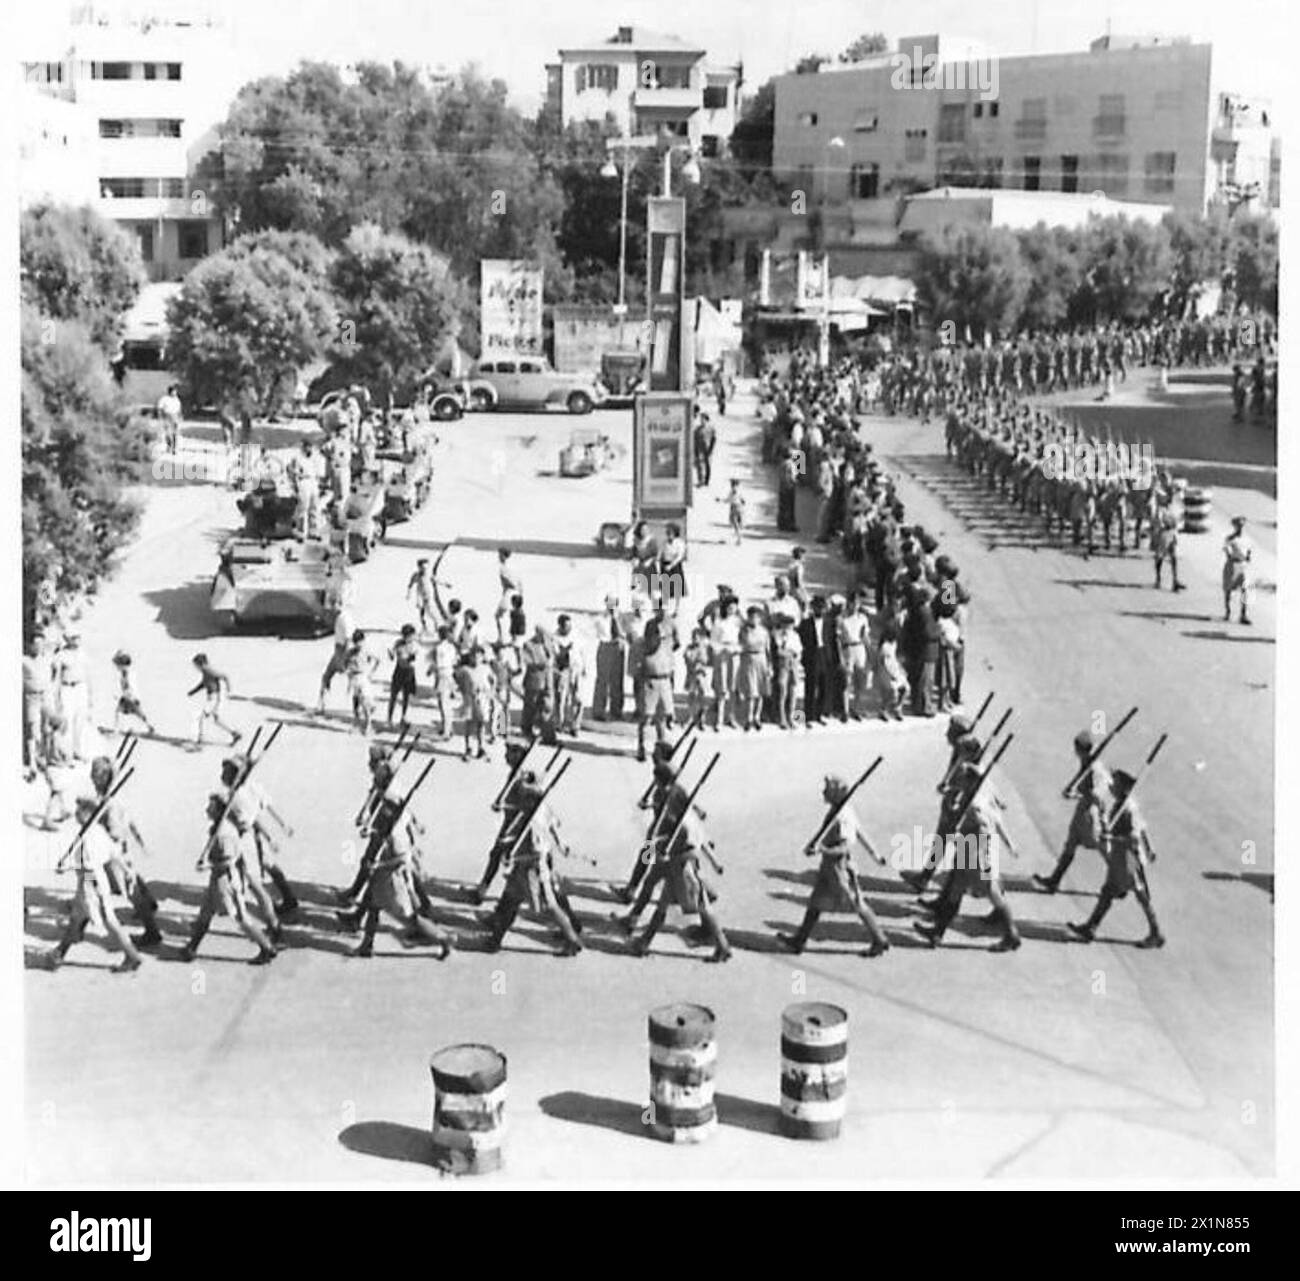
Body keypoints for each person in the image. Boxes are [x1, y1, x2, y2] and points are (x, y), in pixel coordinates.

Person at [913, 761, 1021, 952]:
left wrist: (961, 835)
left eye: (962, 779)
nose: (959, 781)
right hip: (966, 854)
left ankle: (1011, 935)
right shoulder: (978, 797)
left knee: (993, 893)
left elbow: (985, 825)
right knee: (955, 891)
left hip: (977, 855)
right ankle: (937, 933)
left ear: (970, 780)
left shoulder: (975, 804)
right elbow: (996, 820)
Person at [779, 775, 890, 957]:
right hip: (828, 868)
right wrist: (875, 854)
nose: (824, 792)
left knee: (857, 903)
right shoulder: (839, 810)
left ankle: (879, 939)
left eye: (827, 789)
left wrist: (822, 850)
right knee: (815, 903)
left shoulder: (842, 816)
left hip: (840, 868)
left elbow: (846, 845)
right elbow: (860, 833)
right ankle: (799, 940)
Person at [483, 772, 583, 956]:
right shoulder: (537, 811)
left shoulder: (533, 821)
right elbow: (553, 826)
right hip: (523, 869)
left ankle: (572, 938)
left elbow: (536, 850)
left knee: (550, 905)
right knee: (510, 902)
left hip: (532, 870)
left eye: (524, 796)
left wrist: (513, 856)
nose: (520, 798)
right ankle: (494, 940)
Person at [345, 793, 452, 959]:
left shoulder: (395, 836)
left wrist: (378, 865)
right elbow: (371, 831)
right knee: (372, 909)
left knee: (409, 918)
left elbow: (403, 859)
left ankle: (443, 938)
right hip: (381, 880)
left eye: (384, 811)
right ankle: (367, 945)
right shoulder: (384, 828)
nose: (379, 813)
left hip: (391, 884)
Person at [46, 796, 146, 973]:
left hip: (90, 880)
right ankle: (59, 953)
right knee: (77, 918)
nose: (76, 814)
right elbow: (115, 853)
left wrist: (66, 867)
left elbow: (86, 864)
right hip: (89, 881)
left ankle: (132, 955)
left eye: (80, 811)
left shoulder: (89, 836)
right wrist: (127, 870)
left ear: (87, 814)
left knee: (108, 920)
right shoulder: (97, 831)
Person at [1068, 770, 1166, 948]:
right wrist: (1150, 848)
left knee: (1140, 894)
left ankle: (1156, 932)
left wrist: (1111, 839)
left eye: (1116, 784)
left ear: (1123, 788)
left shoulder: (1127, 809)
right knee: (1108, 892)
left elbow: (1135, 836)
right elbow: (1143, 828)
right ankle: (1091, 927)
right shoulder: (1123, 805)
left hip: (1129, 857)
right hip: (1119, 857)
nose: (1111, 786)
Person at [627, 798, 730, 963]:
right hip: (681, 866)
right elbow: (703, 843)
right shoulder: (689, 818)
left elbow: (652, 846)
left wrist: (649, 857)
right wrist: (715, 862)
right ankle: (644, 942)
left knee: (701, 905)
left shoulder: (671, 823)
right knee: (664, 904)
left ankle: (723, 946)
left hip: (680, 869)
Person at [180, 794, 278, 965]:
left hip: (226, 879)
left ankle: (266, 947)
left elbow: (229, 860)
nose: (207, 809)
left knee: (240, 918)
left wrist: (208, 865)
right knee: (206, 912)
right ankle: (191, 948)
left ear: (219, 810)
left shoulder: (223, 833)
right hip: (218, 878)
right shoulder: (219, 827)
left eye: (211, 806)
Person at [1036, 729, 1114, 893]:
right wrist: (1073, 794)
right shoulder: (1085, 764)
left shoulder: (1095, 770)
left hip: (1090, 815)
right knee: (1070, 846)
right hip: (1081, 812)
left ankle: (1119, 880)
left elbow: (1098, 796)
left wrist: (1080, 794)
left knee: (1102, 847)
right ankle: (1054, 881)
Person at [636, 613, 676, 762]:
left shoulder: (666, 646)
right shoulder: (643, 647)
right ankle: (642, 747)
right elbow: (637, 670)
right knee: (646, 716)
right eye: (655, 633)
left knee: (662, 717)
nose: (658, 636)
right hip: (650, 682)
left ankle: (661, 747)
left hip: (665, 681)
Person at [53, 629, 91, 759]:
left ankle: (77, 750)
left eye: (78, 637)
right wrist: (56, 697)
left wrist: (90, 695)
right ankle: (66, 752)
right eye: (74, 637)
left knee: (80, 720)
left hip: (81, 687)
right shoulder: (61, 655)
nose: (77, 639)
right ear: (68, 639)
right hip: (67, 688)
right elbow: (56, 677)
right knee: (67, 720)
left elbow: (88, 675)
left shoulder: (83, 654)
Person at [188, 653, 240, 747]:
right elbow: (204, 684)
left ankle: (200, 741)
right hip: (214, 697)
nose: (195, 668)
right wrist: (193, 691)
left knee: (200, 717)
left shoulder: (208, 670)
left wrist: (228, 688)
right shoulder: (205, 671)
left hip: (214, 697)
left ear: (201, 663)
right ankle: (234, 734)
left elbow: (224, 676)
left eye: (196, 665)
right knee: (217, 720)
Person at [519, 625, 557, 743]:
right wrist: (543, 663)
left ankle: (548, 734)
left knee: (548, 707)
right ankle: (527, 730)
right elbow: (528, 661)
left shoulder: (548, 645)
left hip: (548, 680)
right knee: (530, 707)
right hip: (534, 680)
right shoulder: (528, 645)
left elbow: (554, 656)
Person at [591, 594, 626, 722]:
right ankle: (599, 710)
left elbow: (624, 632)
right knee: (602, 680)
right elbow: (599, 634)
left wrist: (617, 619)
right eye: (610, 603)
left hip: (618, 647)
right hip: (605, 646)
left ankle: (616, 710)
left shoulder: (622, 617)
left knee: (617, 680)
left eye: (614, 603)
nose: (612, 606)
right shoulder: (600, 618)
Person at [317, 602, 356, 714]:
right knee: (327, 676)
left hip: (342, 651)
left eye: (334, 605)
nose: (332, 608)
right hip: (340, 650)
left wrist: (345, 657)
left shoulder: (344, 618)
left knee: (328, 676)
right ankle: (322, 704)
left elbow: (348, 639)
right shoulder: (342, 617)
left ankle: (322, 706)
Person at [708, 596, 740, 730]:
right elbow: (713, 641)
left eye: (734, 607)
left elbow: (742, 639)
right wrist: (721, 649)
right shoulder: (719, 623)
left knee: (733, 687)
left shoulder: (738, 622)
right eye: (730, 607)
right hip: (722, 655)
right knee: (722, 689)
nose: (732, 609)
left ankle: (731, 717)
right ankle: (719, 719)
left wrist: (737, 649)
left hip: (734, 654)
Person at [736, 607, 770, 731]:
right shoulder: (744, 631)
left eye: (756, 617)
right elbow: (741, 645)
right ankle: (748, 718)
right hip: (748, 659)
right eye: (751, 617)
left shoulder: (764, 631)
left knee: (760, 692)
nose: (754, 619)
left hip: (761, 659)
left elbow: (768, 649)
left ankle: (757, 717)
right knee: (751, 692)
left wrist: (769, 666)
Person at [455, 648, 493, 760]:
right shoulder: (465, 670)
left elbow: (493, 679)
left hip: (483, 699)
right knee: (469, 724)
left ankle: (481, 748)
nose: (476, 659)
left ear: (482, 657)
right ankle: (468, 748)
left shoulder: (486, 668)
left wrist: (491, 691)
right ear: (470, 657)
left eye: (478, 657)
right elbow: (456, 677)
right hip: (469, 699)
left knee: (481, 724)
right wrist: (462, 689)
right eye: (474, 656)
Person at [552, 614, 585, 736]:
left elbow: (581, 651)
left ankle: (575, 725)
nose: (569, 628)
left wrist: (584, 666)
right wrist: (565, 649)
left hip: (576, 668)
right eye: (566, 626)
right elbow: (557, 655)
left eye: (570, 625)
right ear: (560, 626)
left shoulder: (575, 635)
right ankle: (559, 723)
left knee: (577, 698)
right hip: (562, 670)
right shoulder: (555, 638)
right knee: (561, 698)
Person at [111, 650, 155, 736]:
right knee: (126, 712)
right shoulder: (124, 673)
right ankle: (149, 726)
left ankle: (117, 730)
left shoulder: (128, 674)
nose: (116, 667)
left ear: (122, 665)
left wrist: (132, 696)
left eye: (117, 665)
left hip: (130, 697)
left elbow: (131, 686)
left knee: (137, 713)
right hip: (128, 697)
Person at [344, 631, 379, 735]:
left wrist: (371, 673)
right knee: (355, 702)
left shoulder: (366, 651)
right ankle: (357, 723)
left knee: (364, 702)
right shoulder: (350, 652)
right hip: (354, 678)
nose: (358, 644)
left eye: (360, 642)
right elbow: (345, 663)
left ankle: (368, 724)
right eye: (356, 642)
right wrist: (348, 673)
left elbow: (377, 660)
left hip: (363, 677)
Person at [428, 625, 459, 738]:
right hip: (449, 674)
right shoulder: (452, 647)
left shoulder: (439, 648)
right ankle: (447, 727)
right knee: (446, 703)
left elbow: (438, 664)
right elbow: (455, 661)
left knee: (443, 703)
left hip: (442, 675)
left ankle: (447, 730)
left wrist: (431, 671)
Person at [772, 615, 802, 730]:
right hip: (782, 664)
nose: (787, 628)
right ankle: (782, 717)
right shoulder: (777, 635)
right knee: (782, 690)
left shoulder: (795, 636)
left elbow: (798, 651)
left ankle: (791, 717)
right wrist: (789, 653)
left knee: (793, 690)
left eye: (790, 625)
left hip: (793, 663)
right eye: (785, 625)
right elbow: (779, 651)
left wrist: (794, 656)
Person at [386, 624, 420, 728]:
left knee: (406, 696)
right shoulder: (398, 643)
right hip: (399, 670)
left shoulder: (414, 645)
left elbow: (412, 659)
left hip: (408, 671)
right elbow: (393, 657)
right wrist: (391, 654)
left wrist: (406, 656)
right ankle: (389, 718)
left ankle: (403, 717)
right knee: (394, 695)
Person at [1222, 515, 1253, 624]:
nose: (1241, 528)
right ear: (1235, 526)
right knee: (1228, 590)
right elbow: (1227, 551)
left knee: (1245, 590)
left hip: (1243, 566)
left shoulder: (1247, 538)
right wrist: (1233, 556)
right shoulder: (1230, 539)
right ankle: (1228, 612)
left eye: (1242, 526)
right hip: (1233, 565)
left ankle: (1243, 614)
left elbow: (1249, 551)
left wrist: (1248, 558)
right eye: (1238, 526)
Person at [1151, 510, 1185, 592]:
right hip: (1163, 534)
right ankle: (1158, 579)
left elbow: (1176, 522)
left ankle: (1175, 581)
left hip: (1171, 534)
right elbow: (1158, 523)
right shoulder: (1160, 509)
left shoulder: (1172, 507)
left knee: (1174, 558)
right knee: (1160, 558)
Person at [495, 547, 522, 642]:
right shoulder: (514, 566)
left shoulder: (503, 567)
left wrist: (509, 586)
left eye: (499, 554)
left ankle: (501, 637)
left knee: (498, 615)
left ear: (503, 555)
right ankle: (514, 637)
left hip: (509, 592)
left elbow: (508, 581)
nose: (498, 557)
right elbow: (519, 581)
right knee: (513, 615)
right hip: (517, 592)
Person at [407, 558, 436, 634]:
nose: (425, 570)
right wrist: (409, 594)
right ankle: (424, 628)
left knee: (430, 612)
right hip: (420, 596)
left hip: (428, 595)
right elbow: (410, 585)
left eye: (426, 568)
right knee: (422, 613)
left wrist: (445, 584)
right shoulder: (416, 575)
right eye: (423, 568)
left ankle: (435, 624)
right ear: (419, 567)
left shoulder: (428, 574)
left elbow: (435, 579)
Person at [156, 384, 182, 454]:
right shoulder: (164, 399)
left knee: (175, 433)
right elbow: (160, 408)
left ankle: (174, 448)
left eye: (176, 391)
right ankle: (169, 446)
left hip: (175, 416)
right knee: (168, 433)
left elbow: (179, 409)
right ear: (170, 391)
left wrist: (180, 418)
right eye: (174, 391)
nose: (175, 393)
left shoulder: (177, 399)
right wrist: (160, 417)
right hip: (167, 416)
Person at [723, 478, 746, 545]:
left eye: (731, 484)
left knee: (734, 522)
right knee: (737, 523)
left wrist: (721, 500)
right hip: (740, 507)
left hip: (734, 507)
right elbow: (742, 500)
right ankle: (739, 536)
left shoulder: (733, 491)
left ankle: (739, 538)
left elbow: (729, 499)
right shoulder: (739, 490)